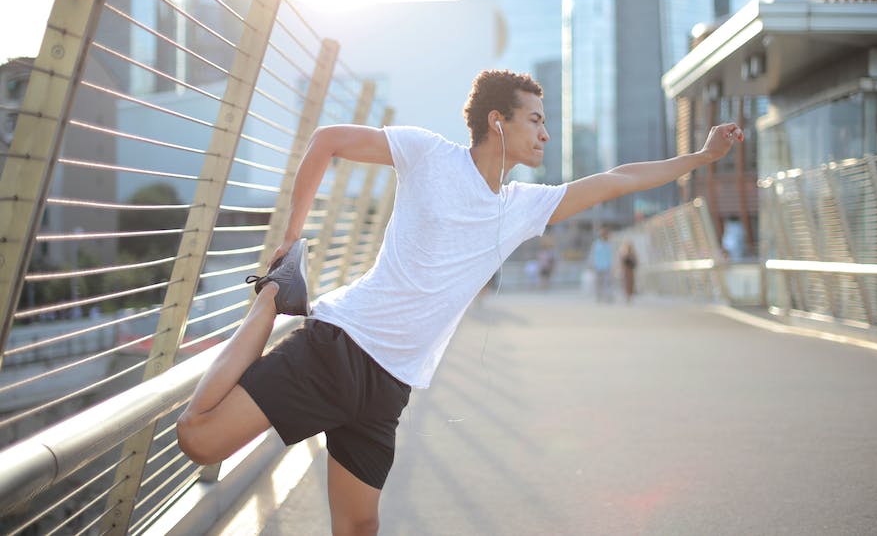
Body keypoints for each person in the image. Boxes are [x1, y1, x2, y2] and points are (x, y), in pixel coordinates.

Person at [176, 69, 743, 535]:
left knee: (357, 527)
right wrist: (293, 239)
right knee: (198, 440)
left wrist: (698, 158)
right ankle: (270, 300)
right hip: (340, 346)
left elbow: (618, 179)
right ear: (498, 121)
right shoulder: (427, 153)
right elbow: (328, 141)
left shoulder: (524, 205)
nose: (546, 134)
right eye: (536, 120)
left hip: (391, 385)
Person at [588, 228, 615, 303]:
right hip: (598, 266)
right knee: (598, 283)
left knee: (607, 283)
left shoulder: (609, 244)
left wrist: (612, 266)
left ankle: (608, 298)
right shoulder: (596, 244)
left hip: (607, 267)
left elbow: (611, 256)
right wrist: (591, 264)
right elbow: (592, 255)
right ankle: (598, 297)